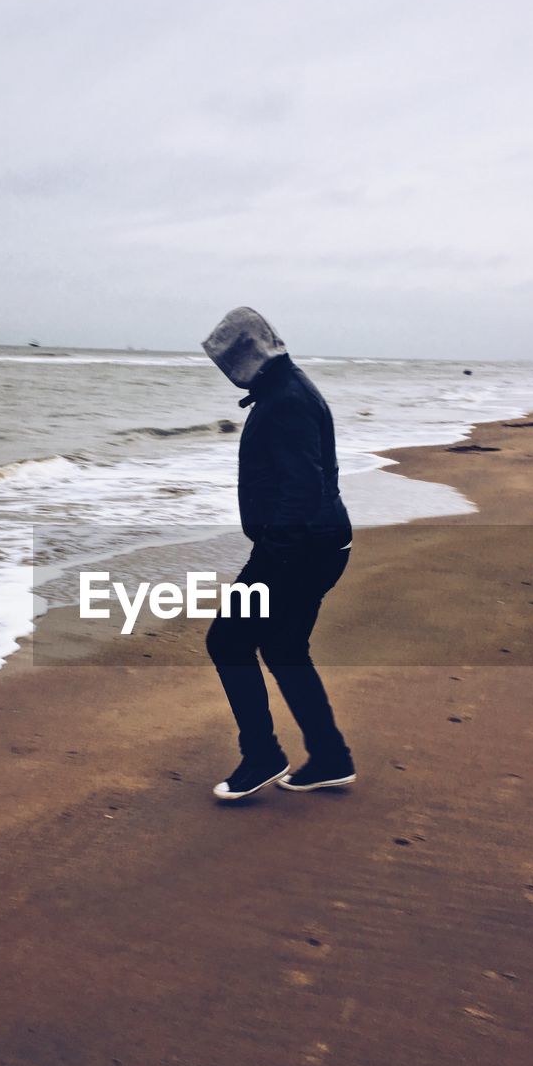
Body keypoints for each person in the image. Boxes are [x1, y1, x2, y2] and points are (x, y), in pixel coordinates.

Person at [201, 307, 355, 801]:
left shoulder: (285, 400)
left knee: (227, 641)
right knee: (285, 649)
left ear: (246, 356)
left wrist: (274, 556)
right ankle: (330, 757)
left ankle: (263, 755)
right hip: (321, 542)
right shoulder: (288, 388)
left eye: (227, 360)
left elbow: (302, 488)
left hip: (299, 549)